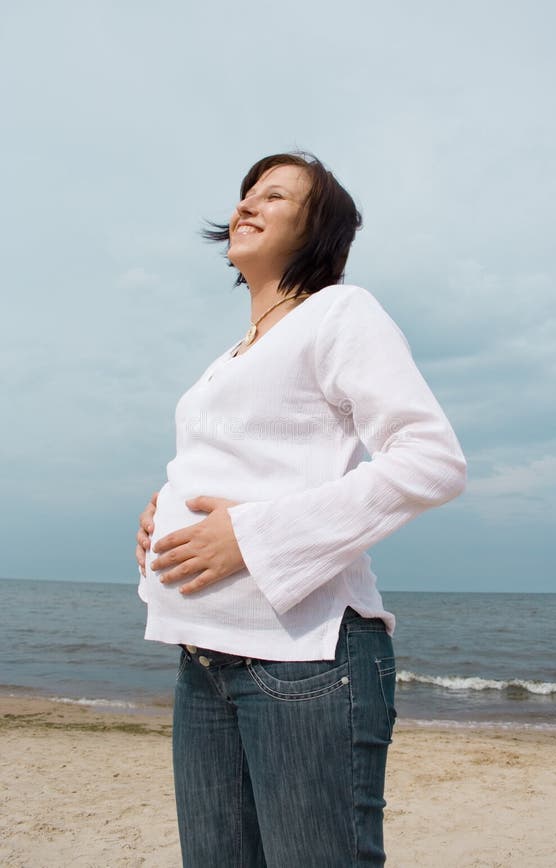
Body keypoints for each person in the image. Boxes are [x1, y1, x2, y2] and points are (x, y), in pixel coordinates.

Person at [135, 151, 467, 867]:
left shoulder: (341, 312)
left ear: (320, 229)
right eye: (247, 193)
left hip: (303, 659)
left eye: (276, 196)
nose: (248, 205)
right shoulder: (232, 355)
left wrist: (255, 537)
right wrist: (162, 511)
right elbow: (245, 460)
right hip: (205, 656)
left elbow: (432, 461)